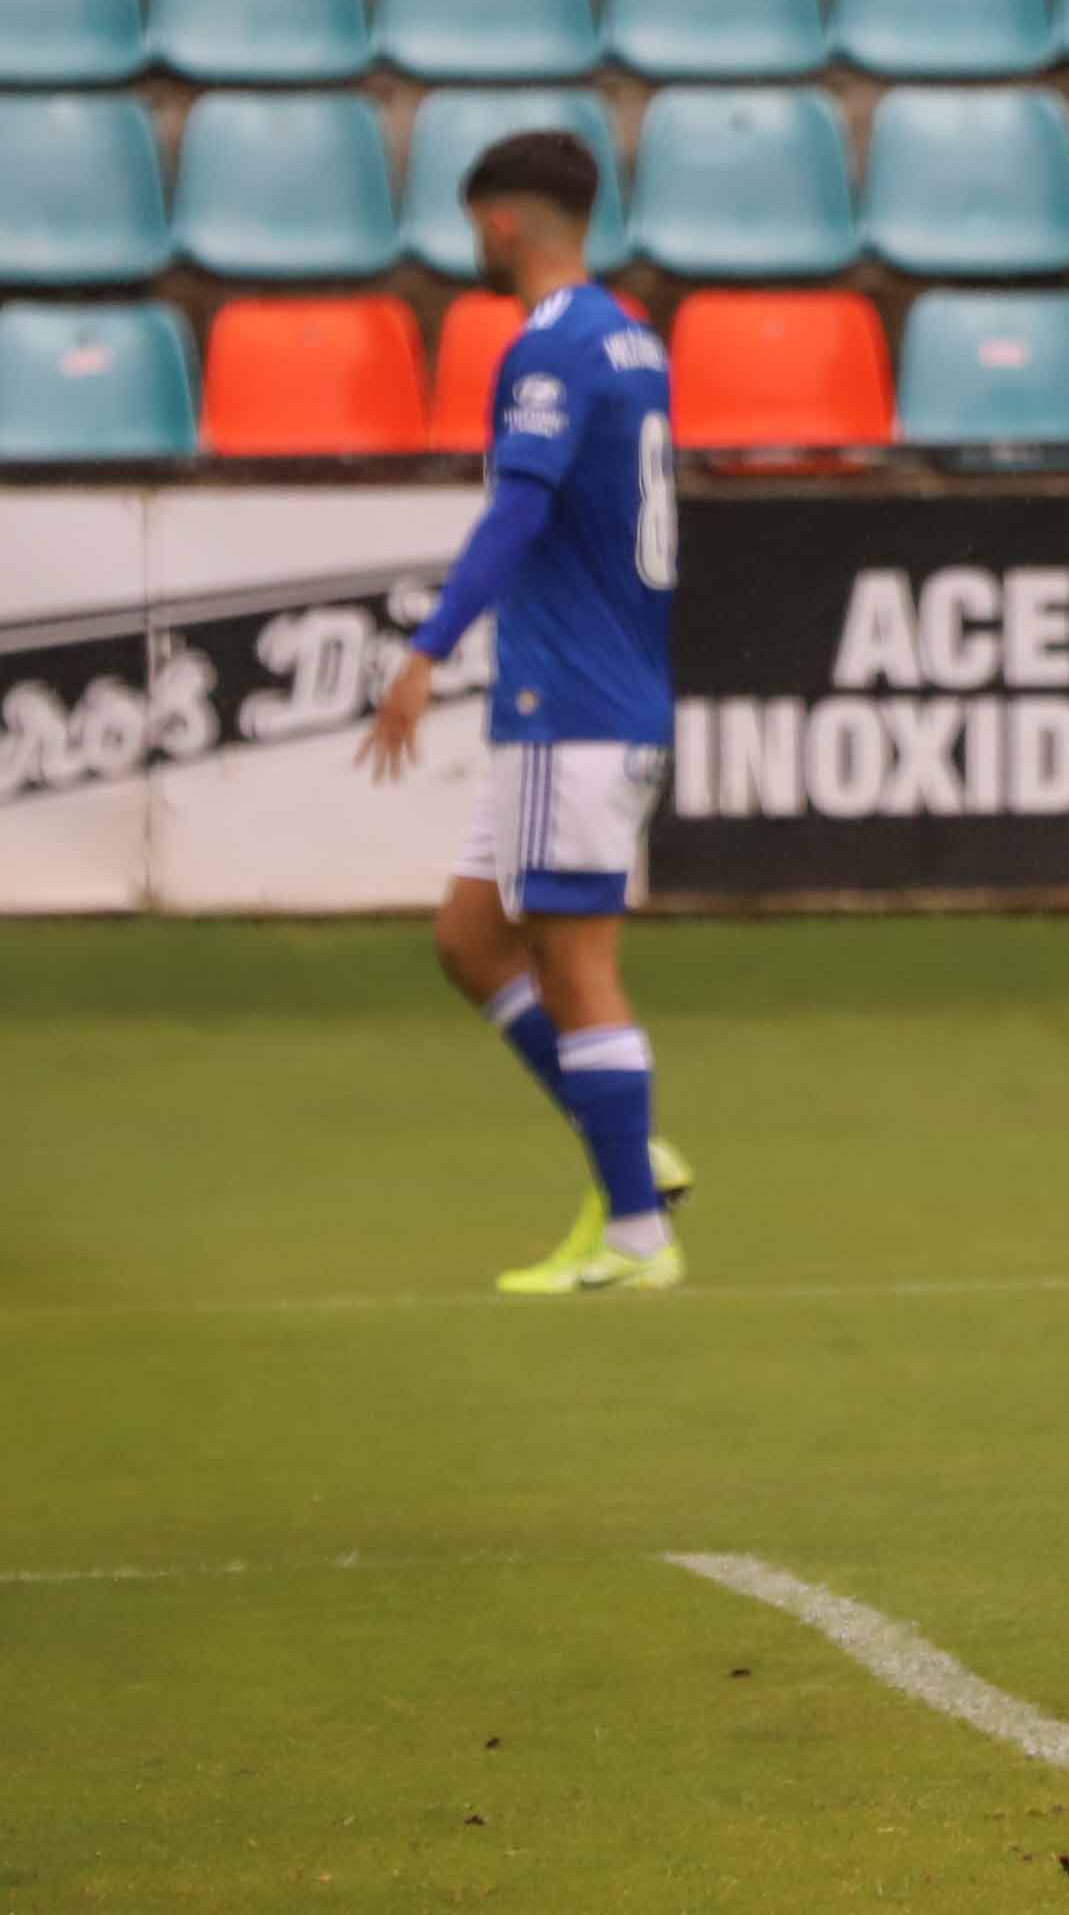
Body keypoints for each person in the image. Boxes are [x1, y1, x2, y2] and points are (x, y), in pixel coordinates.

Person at [358, 130, 692, 1297]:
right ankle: (629, 1145)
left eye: (474, 226)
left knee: (573, 960)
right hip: (594, 696)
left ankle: (636, 1230)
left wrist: (427, 646)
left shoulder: (549, 345)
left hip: (571, 703)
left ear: (501, 221)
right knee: (470, 937)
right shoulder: (630, 337)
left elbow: (519, 507)